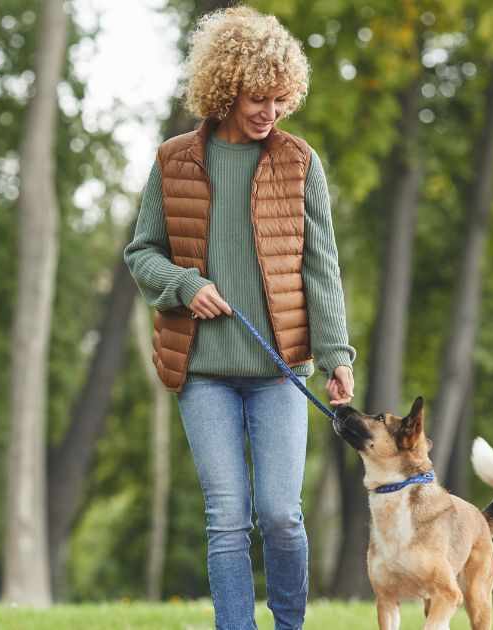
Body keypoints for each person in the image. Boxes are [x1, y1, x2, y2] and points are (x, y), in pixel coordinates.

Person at [123, 7, 356, 630]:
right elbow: (141, 251)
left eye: (282, 99)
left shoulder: (299, 162)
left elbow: (321, 267)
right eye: (259, 97)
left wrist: (336, 356)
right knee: (227, 516)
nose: (271, 111)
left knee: (282, 513)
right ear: (226, 88)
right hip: (203, 371)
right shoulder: (173, 160)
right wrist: (183, 284)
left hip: (280, 370)